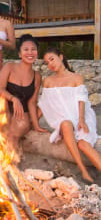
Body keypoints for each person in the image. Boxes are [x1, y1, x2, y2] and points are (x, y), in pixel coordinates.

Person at [38, 47, 101, 183]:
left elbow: (82, 98)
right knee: (65, 123)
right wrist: (34, 123)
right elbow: (44, 104)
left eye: (52, 59)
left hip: (81, 115)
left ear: (61, 57)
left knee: (83, 144)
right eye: (47, 62)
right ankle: (83, 170)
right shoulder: (48, 81)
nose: (50, 64)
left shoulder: (76, 77)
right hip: (64, 118)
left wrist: (82, 119)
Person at [0, 34, 47, 152]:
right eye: (26, 49)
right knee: (4, 128)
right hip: (4, 106)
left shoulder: (37, 76)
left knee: (18, 129)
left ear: (37, 53)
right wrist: (14, 99)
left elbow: (32, 102)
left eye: (33, 49)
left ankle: (8, 158)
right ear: (19, 54)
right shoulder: (9, 67)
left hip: (21, 112)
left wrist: (36, 126)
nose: (30, 52)